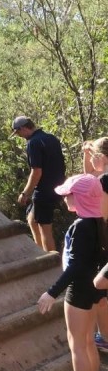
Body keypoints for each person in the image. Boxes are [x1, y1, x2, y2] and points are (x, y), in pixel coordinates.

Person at [37, 173, 105, 371]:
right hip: (93, 289)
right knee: (88, 342)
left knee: (78, 345)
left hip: (79, 292)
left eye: (69, 194)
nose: (65, 198)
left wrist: (51, 293)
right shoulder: (99, 222)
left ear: (80, 197)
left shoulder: (80, 226)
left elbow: (75, 266)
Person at [12, 116, 65, 252]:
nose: (19, 136)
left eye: (18, 133)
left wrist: (25, 193)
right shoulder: (51, 138)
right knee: (32, 219)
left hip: (44, 191)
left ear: (23, 128)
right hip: (58, 187)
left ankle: (50, 263)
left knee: (45, 229)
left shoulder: (33, 143)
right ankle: (40, 252)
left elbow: (36, 172)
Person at [82, 137, 108, 353]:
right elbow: (90, 175)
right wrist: (87, 153)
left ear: (101, 157)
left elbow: (103, 214)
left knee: (98, 284)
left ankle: (105, 338)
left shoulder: (106, 180)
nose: (91, 160)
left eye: (93, 157)